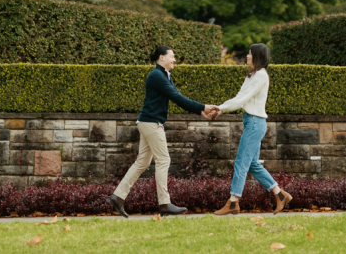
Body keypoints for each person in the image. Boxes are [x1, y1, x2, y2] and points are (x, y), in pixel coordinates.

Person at [107, 46, 219, 218]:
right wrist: (202, 106)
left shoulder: (164, 75)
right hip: (151, 123)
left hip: (148, 121)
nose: (174, 60)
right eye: (172, 56)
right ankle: (164, 204)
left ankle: (118, 196)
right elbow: (177, 97)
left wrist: (199, 111)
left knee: (142, 162)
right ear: (161, 57)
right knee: (163, 159)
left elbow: (176, 95)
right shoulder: (156, 76)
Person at [213, 43, 292, 215]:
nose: (247, 56)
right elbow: (239, 97)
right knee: (253, 164)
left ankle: (233, 202)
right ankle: (279, 195)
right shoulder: (253, 75)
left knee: (241, 161)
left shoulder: (261, 76)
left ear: (256, 56)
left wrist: (221, 108)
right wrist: (222, 107)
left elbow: (243, 99)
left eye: (250, 54)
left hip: (255, 123)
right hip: (252, 122)